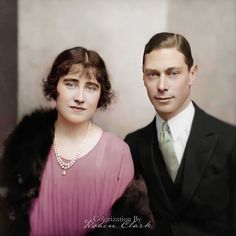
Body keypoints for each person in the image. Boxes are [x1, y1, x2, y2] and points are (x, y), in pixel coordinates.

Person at [0, 47, 134, 236]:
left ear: (100, 95)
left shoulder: (118, 152)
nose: (80, 97)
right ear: (55, 87)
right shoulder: (26, 149)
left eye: (91, 87)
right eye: (70, 84)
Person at [125, 32, 236, 236]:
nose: (162, 86)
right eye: (153, 74)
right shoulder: (132, 144)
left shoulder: (230, 140)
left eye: (173, 73)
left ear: (192, 73)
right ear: (143, 76)